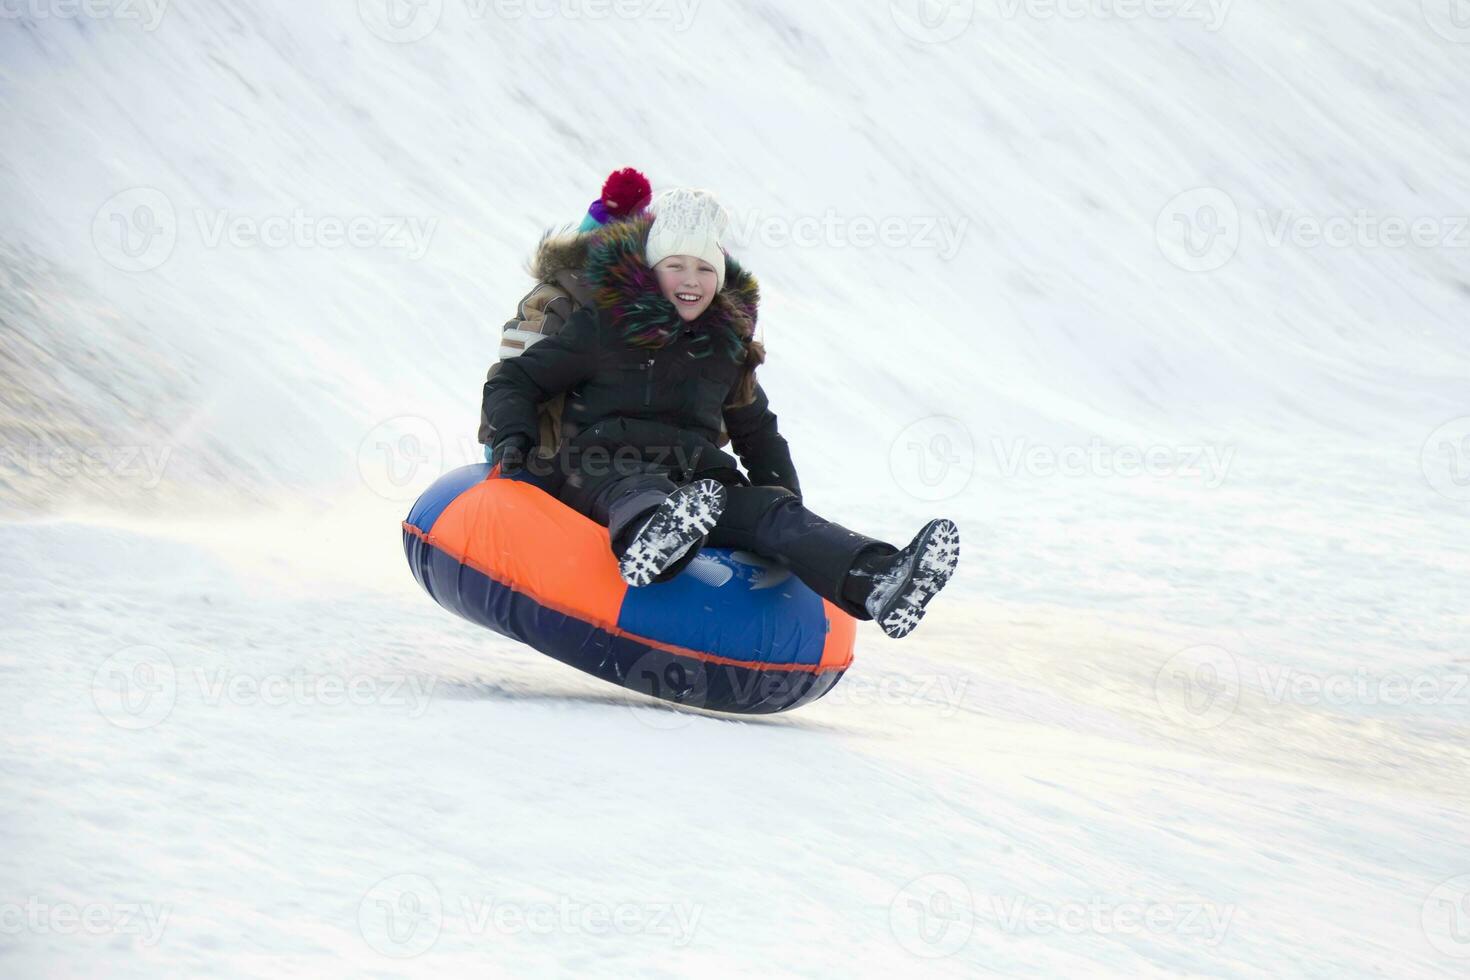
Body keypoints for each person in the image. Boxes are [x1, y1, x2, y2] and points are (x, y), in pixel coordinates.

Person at [482, 187, 960, 639]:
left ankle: (879, 579)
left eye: (705, 269)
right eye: (677, 266)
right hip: (604, 466)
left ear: (720, 277)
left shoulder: (724, 348)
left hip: (698, 485)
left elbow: (757, 430)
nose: (692, 280)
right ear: (653, 271)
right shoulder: (603, 328)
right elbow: (516, 380)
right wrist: (514, 442)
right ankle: (651, 541)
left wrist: (783, 498)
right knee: (640, 490)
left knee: (770, 513)